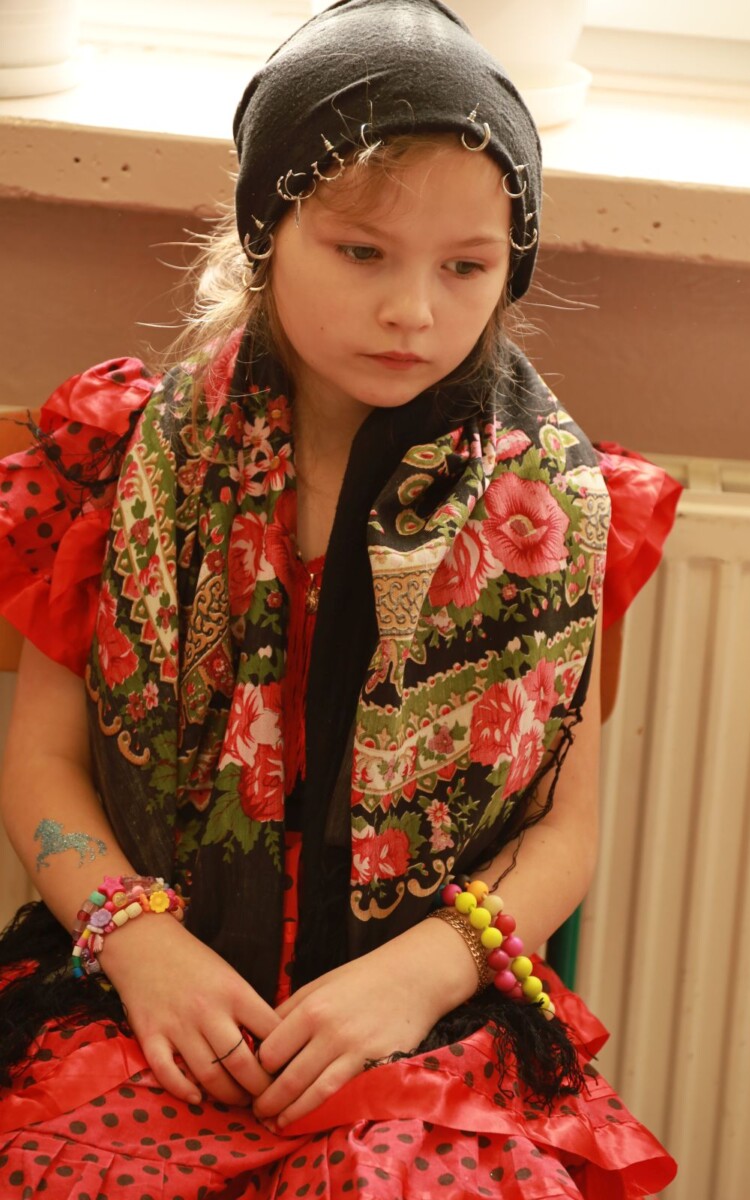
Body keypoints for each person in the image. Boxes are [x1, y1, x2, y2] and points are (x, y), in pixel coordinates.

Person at [0, 1, 680, 1195]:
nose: (412, 309)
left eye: (465, 266)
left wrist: (420, 973)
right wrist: (140, 942)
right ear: (267, 233)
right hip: (140, 990)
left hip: (427, 1024)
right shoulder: (117, 462)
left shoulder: (555, 508)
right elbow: (43, 762)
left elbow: (559, 832)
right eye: (361, 252)